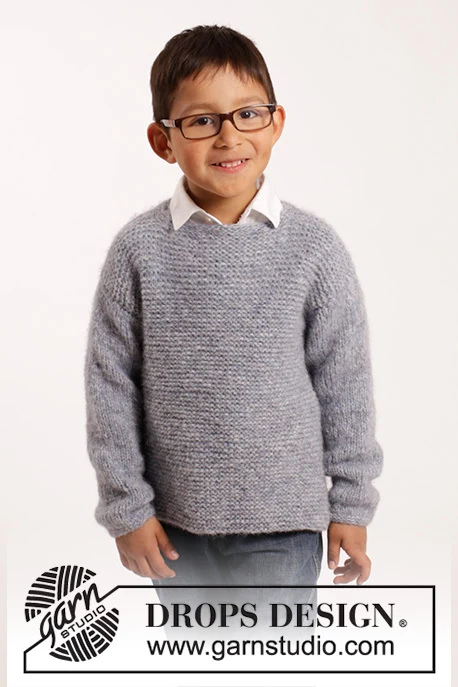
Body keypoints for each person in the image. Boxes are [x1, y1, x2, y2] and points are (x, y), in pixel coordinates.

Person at [84, 24, 383, 642]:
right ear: (163, 140)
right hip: (173, 528)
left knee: (267, 661)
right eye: (201, 120)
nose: (229, 136)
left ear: (276, 123)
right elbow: (110, 386)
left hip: (285, 527)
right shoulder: (138, 251)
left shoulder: (314, 249)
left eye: (248, 114)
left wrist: (352, 505)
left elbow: (345, 386)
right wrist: (126, 510)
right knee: (192, 660)